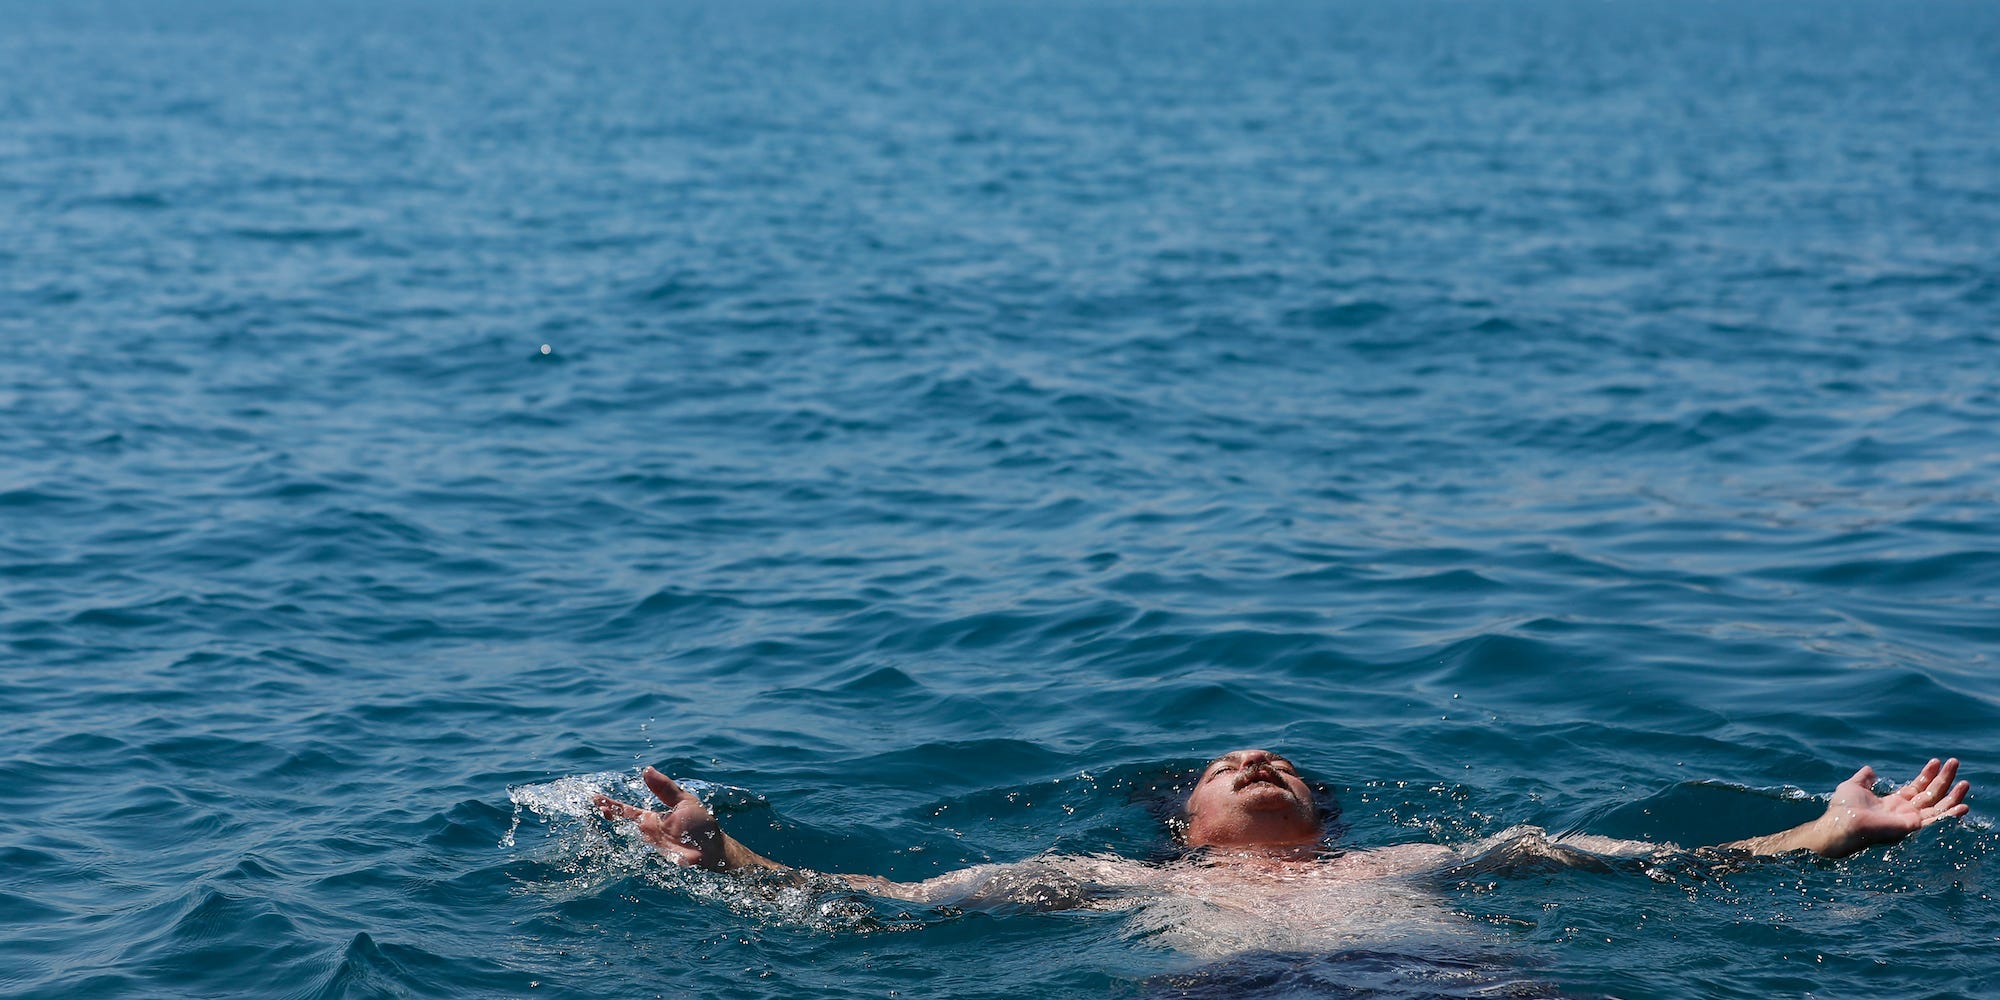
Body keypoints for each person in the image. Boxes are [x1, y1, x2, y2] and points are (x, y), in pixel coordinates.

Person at [590, 748, 1969, 905]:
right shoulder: (1087, 876)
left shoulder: (1417, 858)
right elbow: (881, 906)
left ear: (1315, 813)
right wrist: (726, 858)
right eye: (1229, 763)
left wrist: (1827, 838)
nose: (1259, 760)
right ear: (1183, 826)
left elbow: (1675, 868)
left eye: (1284, 765)